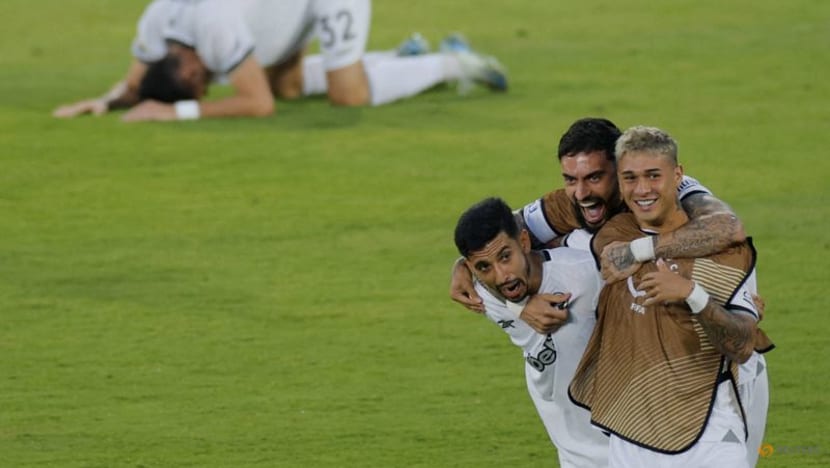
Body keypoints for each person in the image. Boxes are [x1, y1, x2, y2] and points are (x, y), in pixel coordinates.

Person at [448, 117, 771, 466]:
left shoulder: (676, 193)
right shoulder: (571, 206)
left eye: (594, 177)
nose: (581, 193)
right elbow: (498, 237)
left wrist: (638, 253)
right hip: (636, 399)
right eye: (570, 179)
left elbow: (726, 228)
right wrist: (471, 271)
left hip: (719, 381)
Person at [568, 126, 774, 467]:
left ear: (678, 175)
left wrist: (693, 295)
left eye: (653, 175)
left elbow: (741, 344)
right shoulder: (612, 234)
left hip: (709, 433)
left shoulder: (726, 252)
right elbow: (516, 237)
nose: (642, 189)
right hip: (630, 434)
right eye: (630, 178)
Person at [53, 0, 507, 122]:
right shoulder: (159, 19)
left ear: (189, 70)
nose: (208, 86)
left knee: (349, 95)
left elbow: (258, 104)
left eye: (201, 86)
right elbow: (135, 82)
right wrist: (104, 102)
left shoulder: (213, 25)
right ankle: (398, 58)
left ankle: (454, 63)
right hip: (285, 14)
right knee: (286, 85)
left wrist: (178, 112)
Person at [454, 197, 608, 468]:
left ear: (524, 242)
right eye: (484, 267)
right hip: (572, 447)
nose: (501, 276)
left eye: (506, 257)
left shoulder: (584, 274)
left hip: (624, 440)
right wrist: (518, 307)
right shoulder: (482, 297)